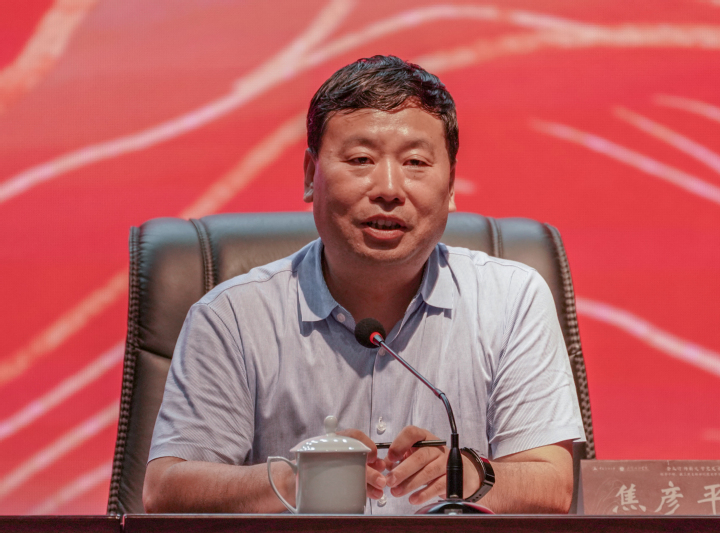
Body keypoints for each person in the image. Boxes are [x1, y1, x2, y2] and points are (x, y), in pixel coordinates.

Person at [142, 55, 585, 515]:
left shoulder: (510, 300)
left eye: (415, 162)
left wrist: (468, 475)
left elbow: (552, 485)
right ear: (311, 175)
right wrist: (295, 479)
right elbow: (166, 490)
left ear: (451, 184)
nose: (389, 188)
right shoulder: (233, 317)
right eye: (360, 159)